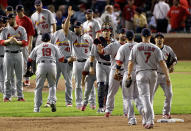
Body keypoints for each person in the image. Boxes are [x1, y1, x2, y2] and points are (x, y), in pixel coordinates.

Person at [127, 28, 171, 129]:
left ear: (142, 36)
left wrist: (129, 74)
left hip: (141, 74)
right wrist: (167, 77)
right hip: (153, 74)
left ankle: (150, 120)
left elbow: (130, 63)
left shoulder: (136, 47)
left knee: (145, 98)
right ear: (150, 36)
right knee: (149, 98)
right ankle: (145, 119)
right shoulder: (156, 48)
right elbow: (162, 63)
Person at [64, 6, 93, 109]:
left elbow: (92, 50)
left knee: (90, 83)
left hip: (87, 62)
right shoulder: (72, 37)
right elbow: (65, 29)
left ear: (82, 28)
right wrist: (68, 17)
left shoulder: (88, 38)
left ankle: (91, 103)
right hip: (77, 62)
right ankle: (79, 103)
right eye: (75, 27)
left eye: (78, 27)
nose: (76, 28)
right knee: (78, 84)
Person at [27, 33, 65, 112]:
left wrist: (28, 68)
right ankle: (52, 101)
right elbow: (61, 59)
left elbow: (29, 59)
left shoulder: (37, 47)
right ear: (50, 39)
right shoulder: (54, 46)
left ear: (41, 40)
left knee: (38, 88)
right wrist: (69, 60)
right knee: (52, 86)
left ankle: (37, 108)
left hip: (41, 65)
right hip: (52, 65)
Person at [114, 30, 144, 125]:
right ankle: (145, 115)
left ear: (125, 38)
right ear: (134, 37)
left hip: (128, 73)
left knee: (127, 98)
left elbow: (118, 63)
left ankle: (132, 119)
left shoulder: (123, 47)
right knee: (137, 97)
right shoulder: (139, 46)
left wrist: (117, 72)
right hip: (139, 73)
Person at [97, 28, 126, 117]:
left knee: (126, 93)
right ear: (118, 35)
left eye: (124, 33)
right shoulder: (113, 45)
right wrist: (99, 49)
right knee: (111, 92)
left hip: (125, 71)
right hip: (114, 71)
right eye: (121, 33)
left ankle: (126, 111)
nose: (123, 35)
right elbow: (102, 52)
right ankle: (108, 110)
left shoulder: (130, 46)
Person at [45, 19, 73, 107]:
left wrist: (72, 58)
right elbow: (51, 47)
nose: (65, 25)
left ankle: (69, 101)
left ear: (69, 24)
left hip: (67, 60)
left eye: (67, 23)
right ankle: (50, 100)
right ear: (61, 25)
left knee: (68, 82)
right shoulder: (55, 34)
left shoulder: (72, 34)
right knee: (53, 81)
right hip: (56, 61)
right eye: (64, 23)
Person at [0, 13, 28, 102]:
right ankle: (7, 96)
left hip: (19, 54)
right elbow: (1, 42)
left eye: (10, 19)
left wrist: (16, 42)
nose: (8, 20)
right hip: (8, 54)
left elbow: (25, 43)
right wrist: (9, 40)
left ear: (14, 19)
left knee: (19, 77)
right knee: (7, 77)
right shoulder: (5, 30)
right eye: (8, 19)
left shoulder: (22, 29)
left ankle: (20, 96)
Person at [89, 22, 113, 113]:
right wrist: (91, 67)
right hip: (100, 65)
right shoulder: (97, 41)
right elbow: (92, 56)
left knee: (108, 86)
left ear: (110, 32)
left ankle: (106, 105)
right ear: (102, 32)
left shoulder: (114, 42)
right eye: (104, 31)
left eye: (108, 31)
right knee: (101, 85)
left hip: (111, 65)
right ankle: (100, 106)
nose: (106, 32)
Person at [153, 32, 177, 119]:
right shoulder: (152, 48)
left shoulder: (168, 49)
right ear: (154, 39)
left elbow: (174, 59)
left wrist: (171, 66)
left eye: (161, 38)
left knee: (169, 94)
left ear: (163, 39)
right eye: (157, 38)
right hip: (154, 75)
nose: (159, 39)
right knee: (150, 95)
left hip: (165, 75)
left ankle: (166, 113)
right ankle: (149, 113)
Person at [16, 4, 35, 86]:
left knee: (26, 62)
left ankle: (27, 79)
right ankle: (20, 79)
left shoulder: (27, 20)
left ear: (22, 11)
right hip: (17, 43)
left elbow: (31, 33)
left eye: (19, 11)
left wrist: (30, 44)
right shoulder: (16, 18)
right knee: (18, 62)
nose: (18, 13)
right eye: (17, 11)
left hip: (25, 43)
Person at [0, 15, 6, 93]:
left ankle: (6, 91)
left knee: (6, 76)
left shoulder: (7, 31)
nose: (1, 24)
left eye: (2, 23)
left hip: (5, 56)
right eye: (0, 23)